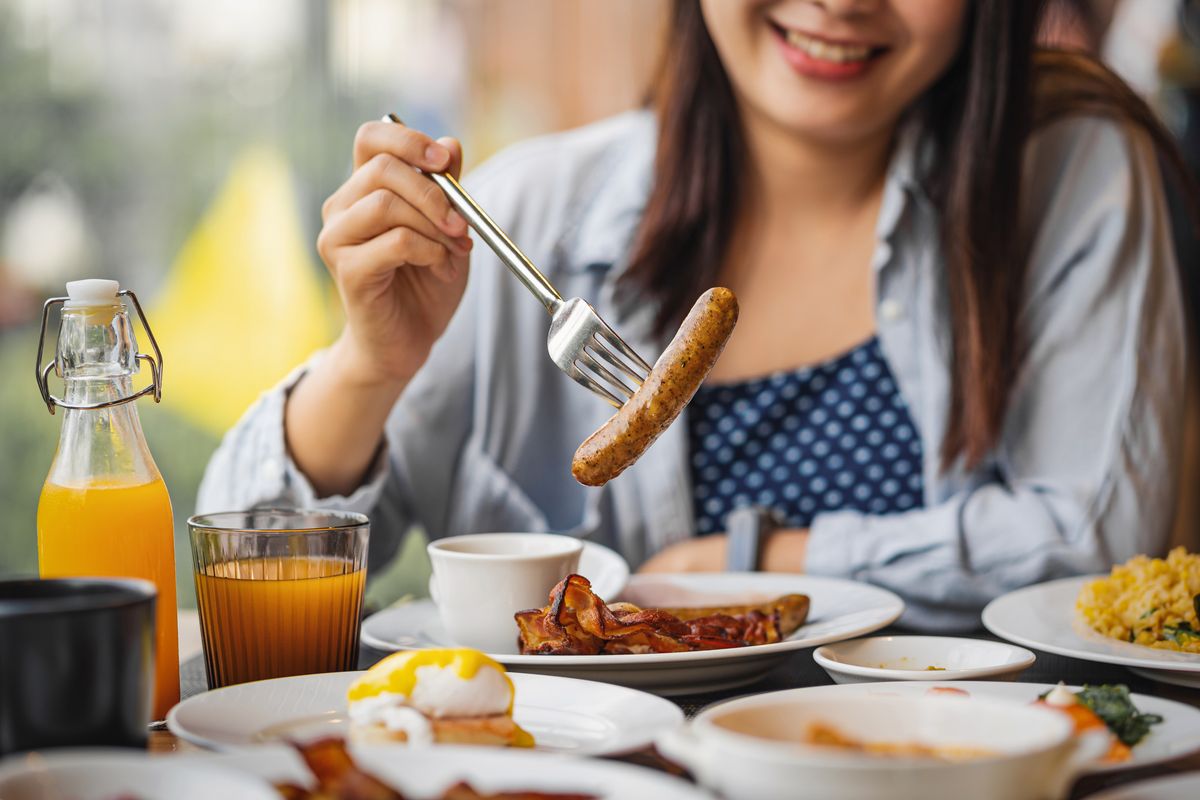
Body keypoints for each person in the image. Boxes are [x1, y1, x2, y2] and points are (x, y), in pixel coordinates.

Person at [198, 0, 1190, 629]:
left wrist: (737, 565)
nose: (840, 5)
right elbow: (242, 596)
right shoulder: (531, 213)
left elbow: (1094, 542)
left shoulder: (1071, 172)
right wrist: (367, 365)